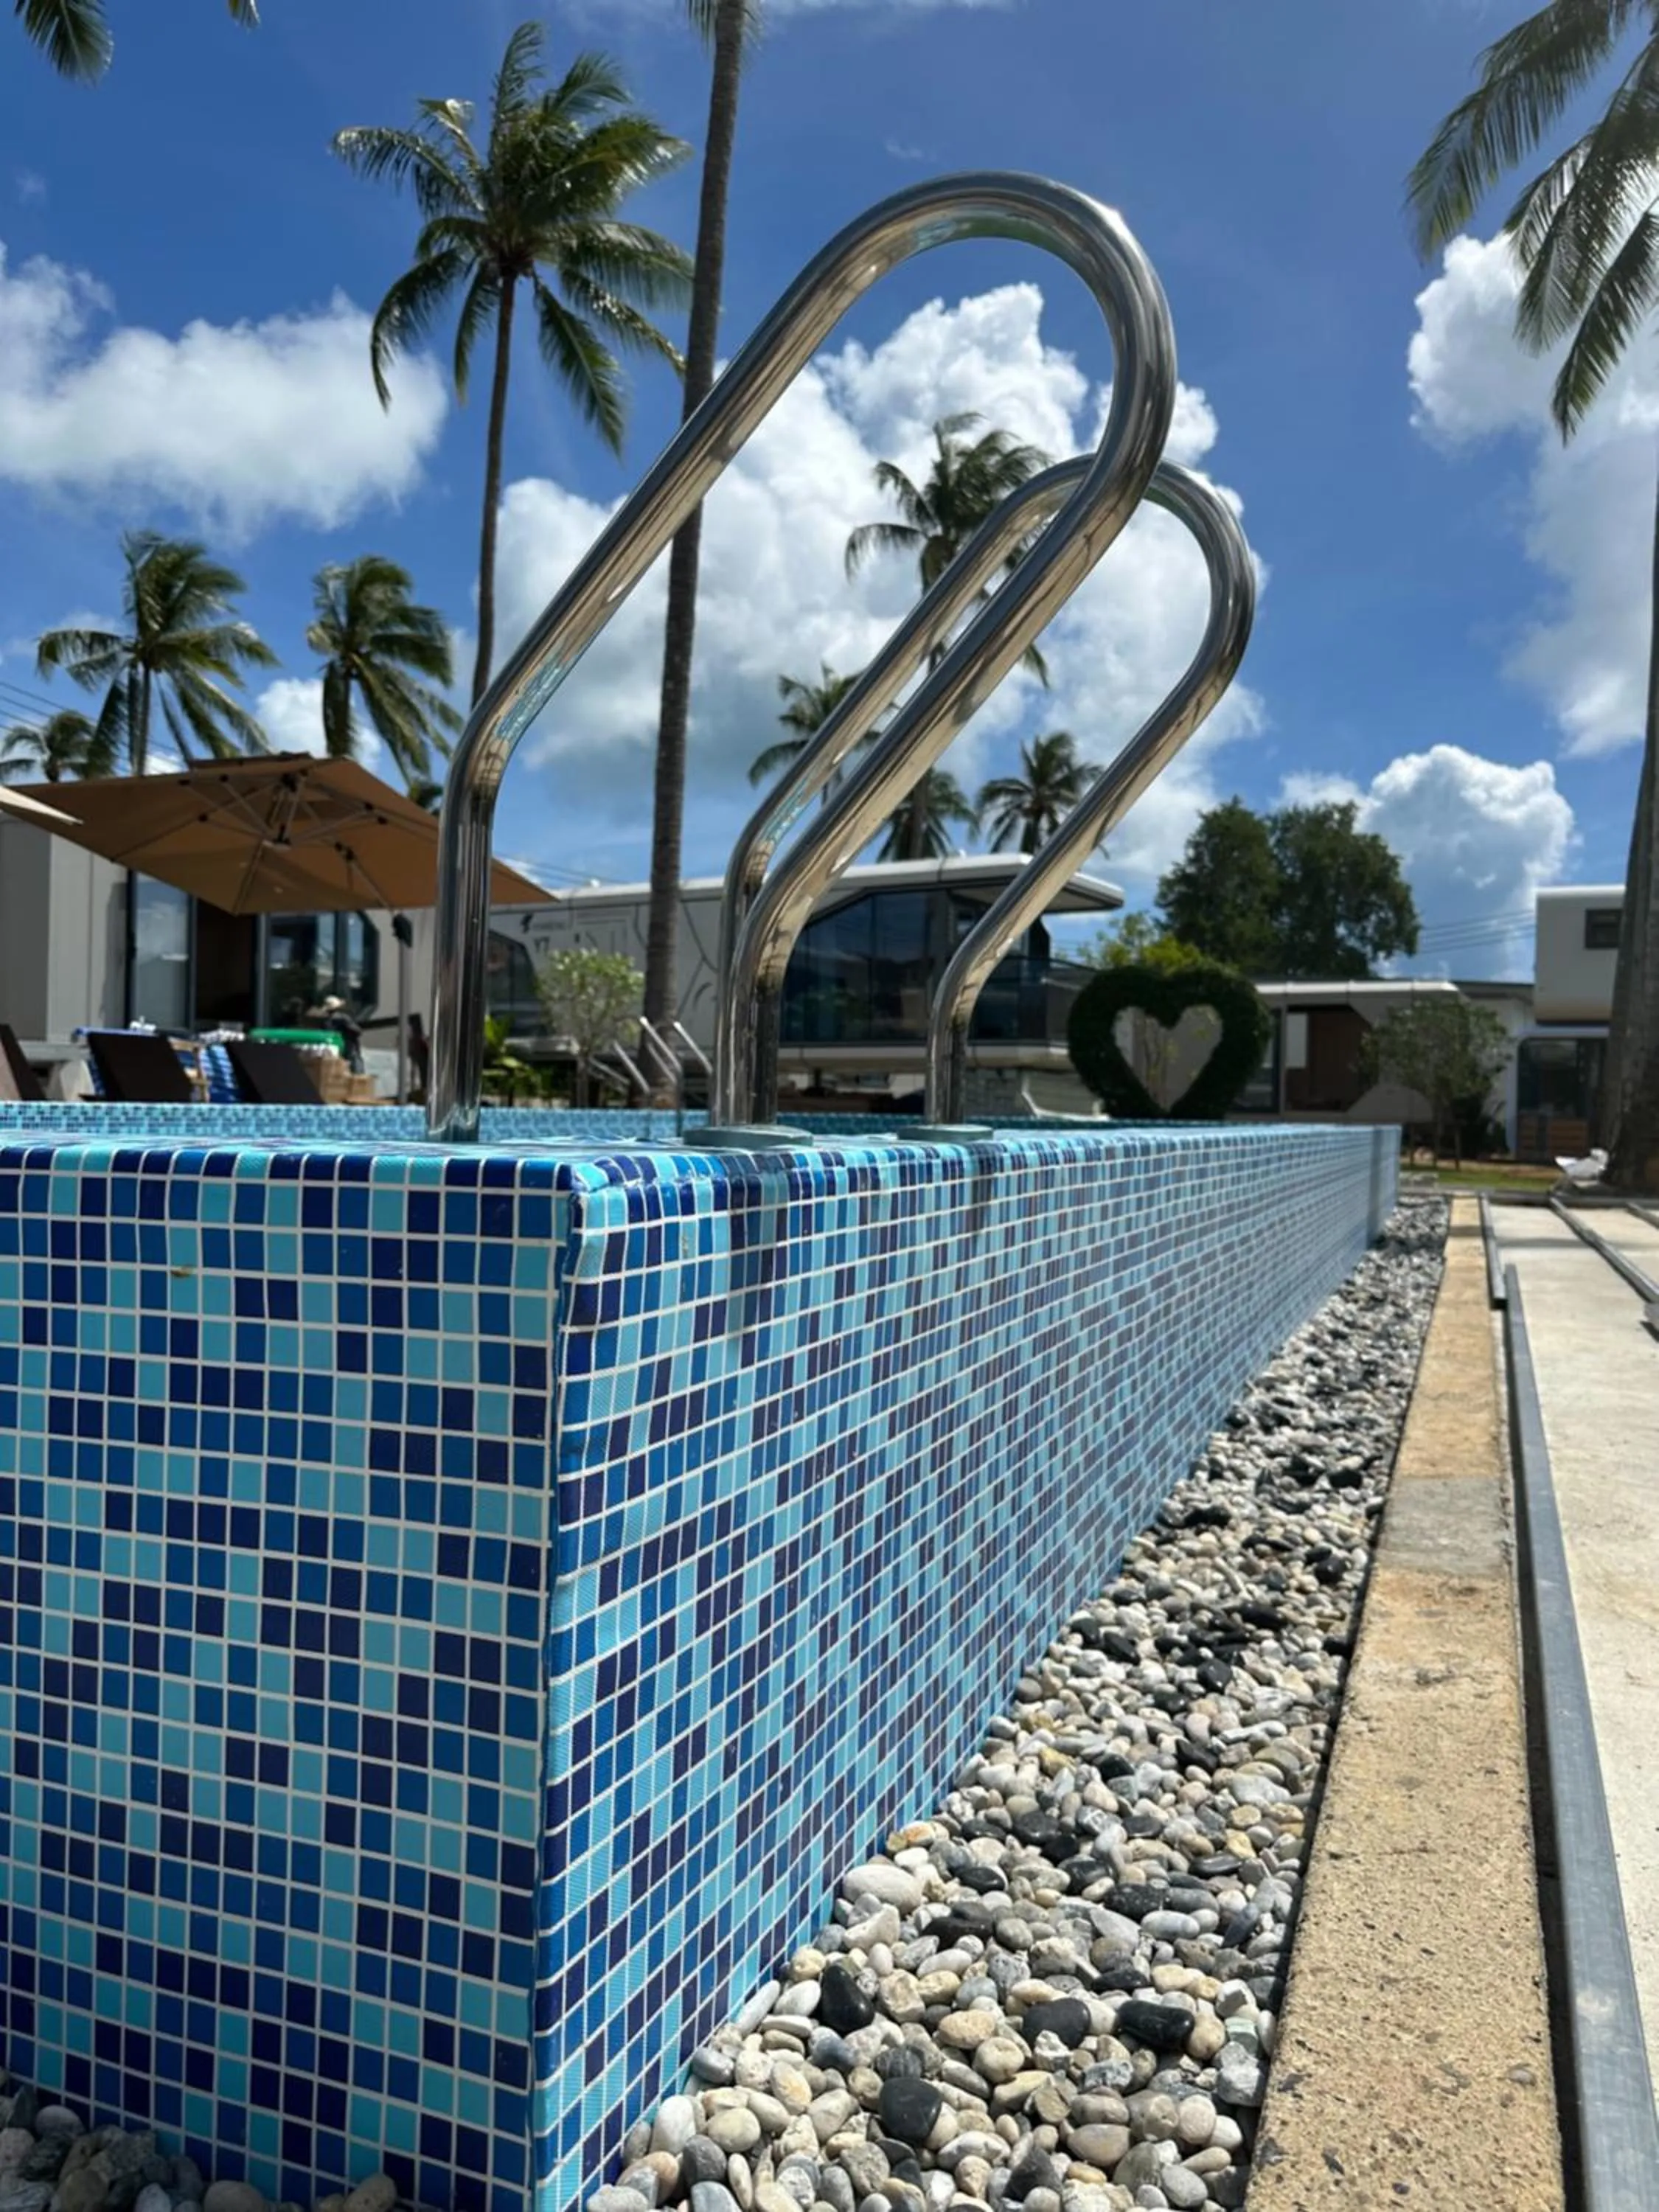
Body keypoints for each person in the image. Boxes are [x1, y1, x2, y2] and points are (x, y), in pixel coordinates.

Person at [314, 993, 365, 1074]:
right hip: (348, 1046)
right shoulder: (343, 1018)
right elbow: (357, 1031)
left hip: (333, 1048)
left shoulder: (326, 1021)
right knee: (355, 1065)